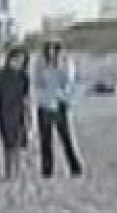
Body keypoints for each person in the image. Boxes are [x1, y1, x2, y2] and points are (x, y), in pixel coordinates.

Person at [34, 41, 84, 177]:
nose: (51, 53)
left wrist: (59, 65)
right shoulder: (41, 64)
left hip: (60, 103)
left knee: (66, 137)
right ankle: (47, 170)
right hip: (44, 104)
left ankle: (75, 167)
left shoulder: (66, 63)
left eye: (54, 50)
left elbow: (68, 82)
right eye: (48, 50)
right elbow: (38, 82)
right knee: (45, 140)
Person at [0, 47, 31, 180]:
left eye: (21, 61)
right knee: (8, 144)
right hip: (4, 113)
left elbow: (26, 98)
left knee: (18, 143)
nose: (17, 63)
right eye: (15, 59)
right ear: (9, 59)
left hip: (19, 112)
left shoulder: (24, 77)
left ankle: (17, 171)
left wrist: (29, 116)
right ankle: (9, 172)